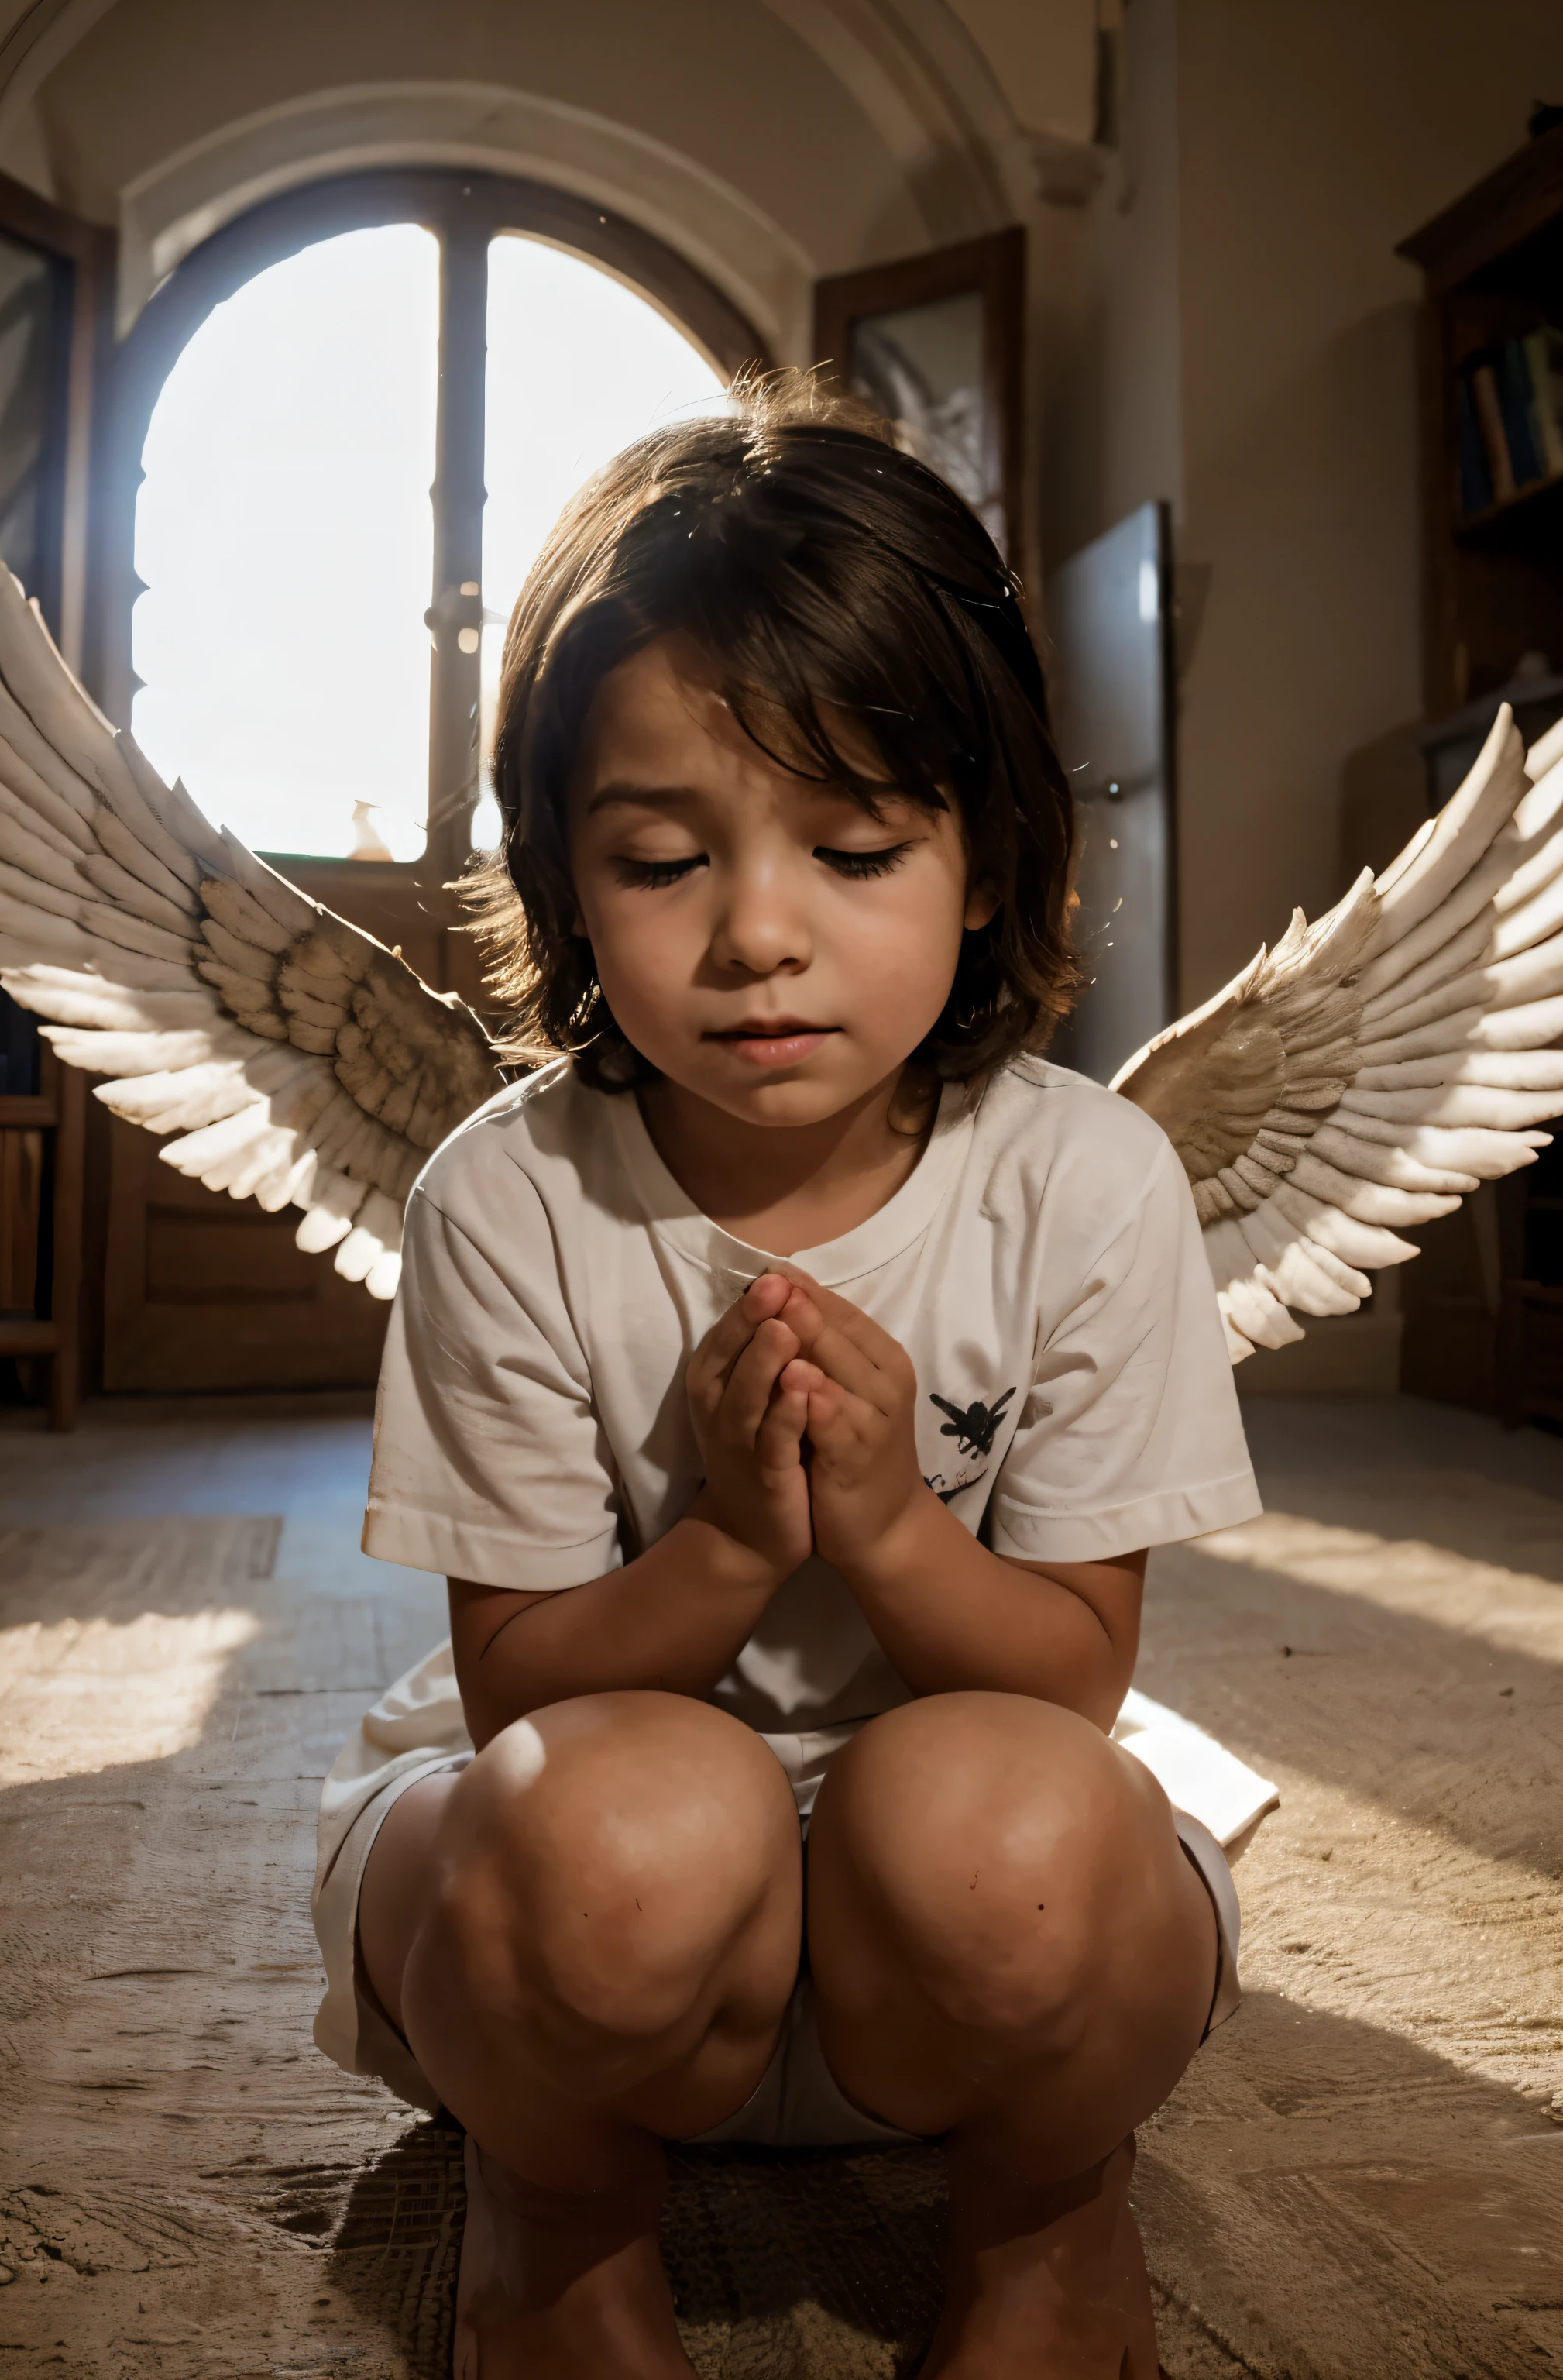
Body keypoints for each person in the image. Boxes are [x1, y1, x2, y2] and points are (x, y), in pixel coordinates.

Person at [310, 373, 1262, 2380]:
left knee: (1023, 1821)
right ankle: (560, 2230)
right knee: (596, 1825)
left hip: (970, 1949)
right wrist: (743, 1539)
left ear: (990, 863)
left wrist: (894, 1518)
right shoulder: (511, 1196)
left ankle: (1039, 2223)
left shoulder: (1087, 1180)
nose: (758, 936)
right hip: (600, 1961)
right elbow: (519, 1691)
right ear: (564, 880)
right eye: (663, 862)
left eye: (850, 846)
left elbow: (1073, 1670)